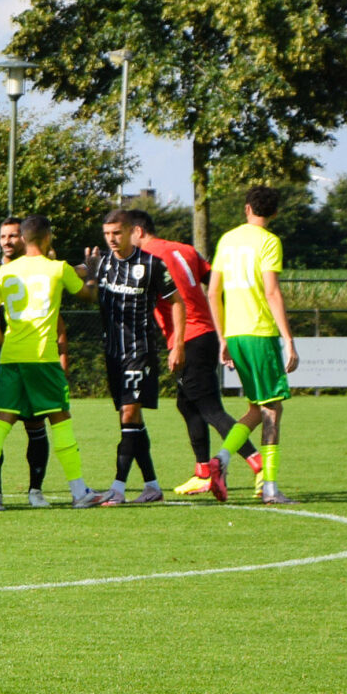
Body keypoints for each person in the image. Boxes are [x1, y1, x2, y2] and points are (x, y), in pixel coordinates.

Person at [0, 214, 101, 508]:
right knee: (60, 420)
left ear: (23, 239)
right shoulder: (57, 269)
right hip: (42, 358)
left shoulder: (5, 272)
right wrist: (93, 271)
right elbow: (88, 295)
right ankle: (79, 492)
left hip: (11, 359)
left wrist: (3, 343)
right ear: (47, 238)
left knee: (0, 424)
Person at [129, 210, 258, 499]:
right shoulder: (185, 249)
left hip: (188, 338)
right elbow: (215, 282)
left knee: (210, 407)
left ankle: (255, 462)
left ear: (137, 230)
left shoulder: (146, 258)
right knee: (187, 405)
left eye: (125, 233)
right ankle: (202, 472)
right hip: (207, 334)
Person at [208, 186, 298, 504]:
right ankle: (270, 487)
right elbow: (271, 291)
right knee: (273, 409)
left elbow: (213, 292)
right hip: (260, 333)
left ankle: (220, 460)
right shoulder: (270, 242)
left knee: (256, 409)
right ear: (275, 213)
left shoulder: (228, 240)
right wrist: (288, 340)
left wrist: (222, 338)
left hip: (235, 334)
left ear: (247, 209)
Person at [86, 209, 182, 505]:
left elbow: (176, 301)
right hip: (112, 353)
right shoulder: (101, 265)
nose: (111, 239)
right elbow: (82, 284)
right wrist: (86, 273)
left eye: (117, 232)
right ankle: (152, 485)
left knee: (129, 414)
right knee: (131, 421)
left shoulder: (151, 264)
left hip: (139, 352)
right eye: (107, 233)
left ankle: (117, 486)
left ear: (130, 231)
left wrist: (177, 343)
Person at [0, 217, 53, 509]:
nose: (7, 241)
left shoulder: (41, 268)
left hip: (31, 358)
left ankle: (36, 490)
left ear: (25, 239)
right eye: (3, 235)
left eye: (13, 235)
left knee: (34, 422)